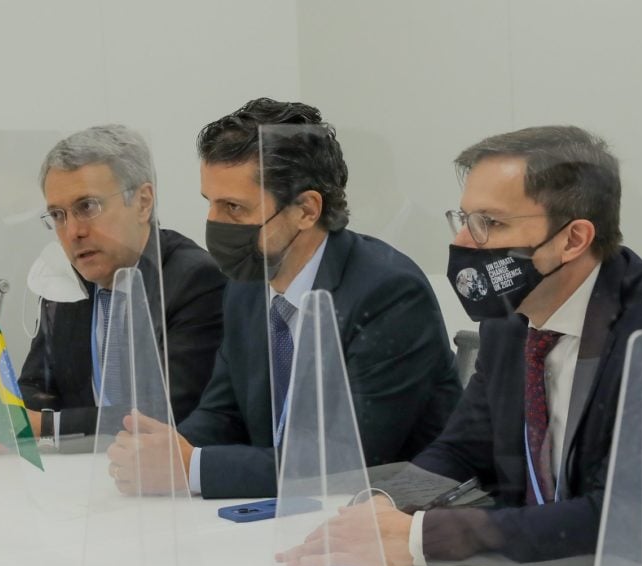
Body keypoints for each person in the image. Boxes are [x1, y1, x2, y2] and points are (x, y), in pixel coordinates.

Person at [277, 125, 642, 566]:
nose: (464, 243)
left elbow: (629, 515)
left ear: (573, 239)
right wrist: (383, 505)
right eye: (464, 219)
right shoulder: (511, 319)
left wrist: (419, 539)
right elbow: (463, 447)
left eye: (491, 223)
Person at [105, 98, 462, 497]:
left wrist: (192, 468)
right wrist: (166, 449)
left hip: (381, 517)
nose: (214, 224)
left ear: (306, 210)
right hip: (281, 515)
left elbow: (349, 457)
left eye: (234, 208)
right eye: (210, 203)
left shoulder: (390, 294)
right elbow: (223, 412)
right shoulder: (246, 286)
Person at [0, 125, 226, 452]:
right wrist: (6, 415)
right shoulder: (64, 278)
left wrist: (42, 426)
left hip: (161, 480)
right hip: (80, 473)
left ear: (143, 202)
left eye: (87, 207)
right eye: (58, 215)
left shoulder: (195, 280)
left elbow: (168, 412)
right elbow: (36, 383)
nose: (72, 232)